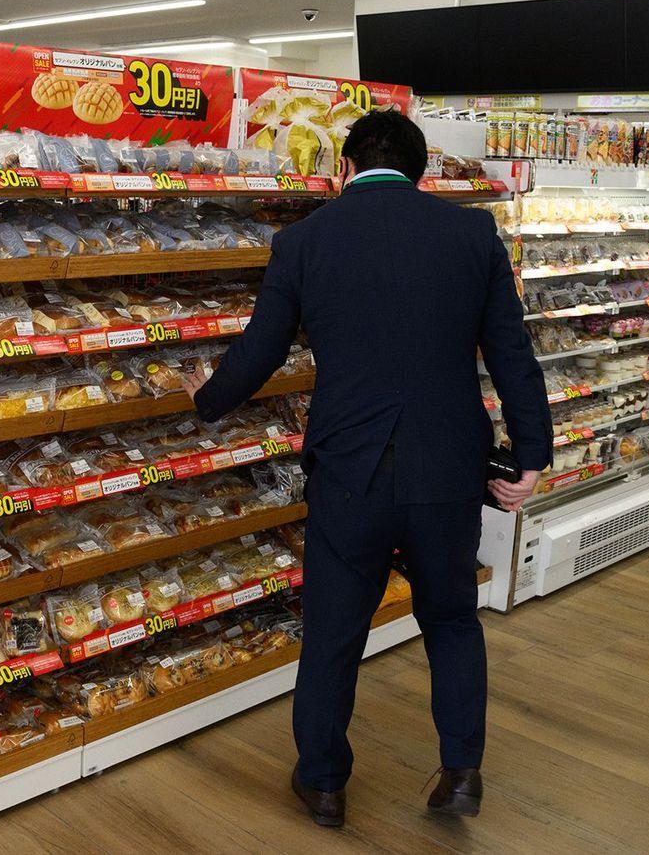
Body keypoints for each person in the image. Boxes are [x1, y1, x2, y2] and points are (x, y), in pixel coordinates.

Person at [183, 110, 551, 825]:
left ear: (345, 169)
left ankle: (322, 782)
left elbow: (258, 353)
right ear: (420, 173)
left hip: (350, 467)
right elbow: (513, 354)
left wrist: (202, 403)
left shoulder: (303, 240)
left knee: (333, 631)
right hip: (448, 470)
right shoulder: (472, 234)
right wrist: (531, 455)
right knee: (450, 619)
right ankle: (462, 772)